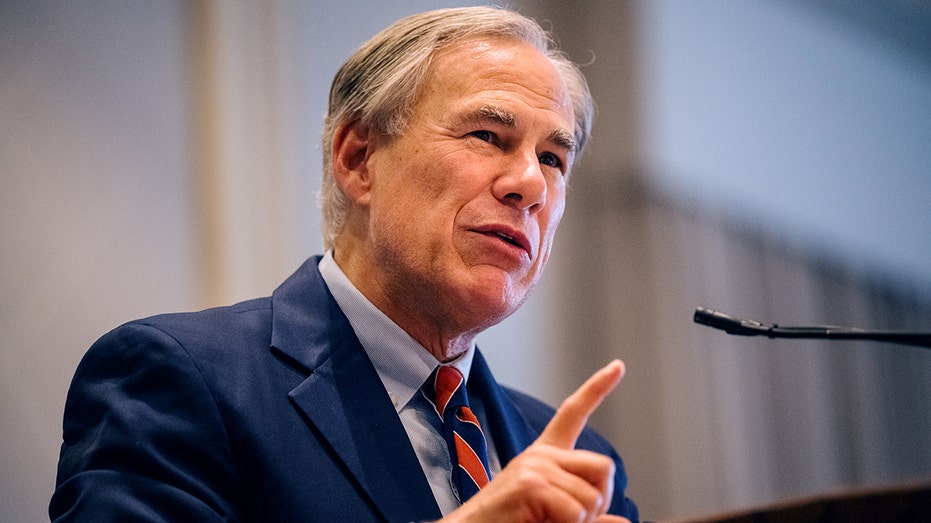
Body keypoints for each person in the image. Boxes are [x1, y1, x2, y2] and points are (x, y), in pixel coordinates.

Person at [50, 6, 639, 522]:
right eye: (487, 135)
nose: (530, 185)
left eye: (553, 158)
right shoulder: (178, 382)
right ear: (358, 159)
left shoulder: (580, 461)